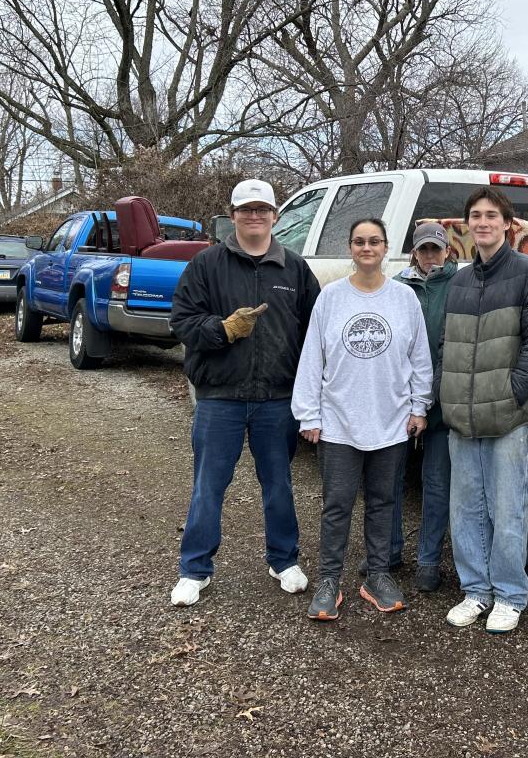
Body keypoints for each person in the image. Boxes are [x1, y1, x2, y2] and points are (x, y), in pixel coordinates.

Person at [168, 179, 320, 607]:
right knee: (208, 486)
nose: (255, 217)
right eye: (246, 210)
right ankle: (194, 569)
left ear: (275, 216)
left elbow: (316, 333)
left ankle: (283, 560)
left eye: (262, 210)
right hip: (220, 397)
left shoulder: (294, 269)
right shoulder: (206, 264)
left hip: (277, 399)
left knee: (278, 485)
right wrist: (222, 329)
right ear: (232, 216)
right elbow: (181, 321)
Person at [292, 218, 432, 621]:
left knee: (383, 503)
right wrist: (308, 414)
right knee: (337, 505)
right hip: (339, 421)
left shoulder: (404, 299)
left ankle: (377, 576)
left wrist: (419, 407)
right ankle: (329, 581)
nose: (366, 248)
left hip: (391, 421)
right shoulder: (332, 297)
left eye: (374, 241)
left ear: (386, 248)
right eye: (359, 241)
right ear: (350, 248)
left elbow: (419, 358)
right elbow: (312, 357)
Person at [439, 186, 528, 634]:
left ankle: (509, 595)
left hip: (511, 419)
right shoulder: (460, 281)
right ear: (467, 225)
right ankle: (475, 590)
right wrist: (446, 392)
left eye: (492, 215)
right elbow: (447, 345)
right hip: (463, 419)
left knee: (508, 513)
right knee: (466, 511)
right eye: (476, 215)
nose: (483, 222)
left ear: (508, 224)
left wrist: (512, 395)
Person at [390, 222, 457, 592]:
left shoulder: (460, 285)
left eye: (436, 249)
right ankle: (389, 550)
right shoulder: (397, 287)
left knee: (436, 484)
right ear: (414, 252)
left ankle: (429, 561)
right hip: (400, 402)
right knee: (389, 480)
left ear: (448, 250)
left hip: (442, 401)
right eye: (424, 249)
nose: (430, 256)